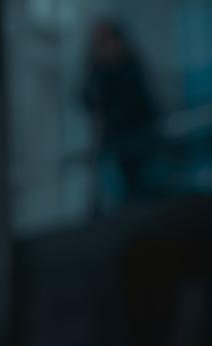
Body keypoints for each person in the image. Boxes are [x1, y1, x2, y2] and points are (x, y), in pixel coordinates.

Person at [81, 19, 160, 211]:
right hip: (112, 139)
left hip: (136, 138)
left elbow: (139, 102)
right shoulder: (98, 68)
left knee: (136, 188)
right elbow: (86, 97)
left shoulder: (129, 65)